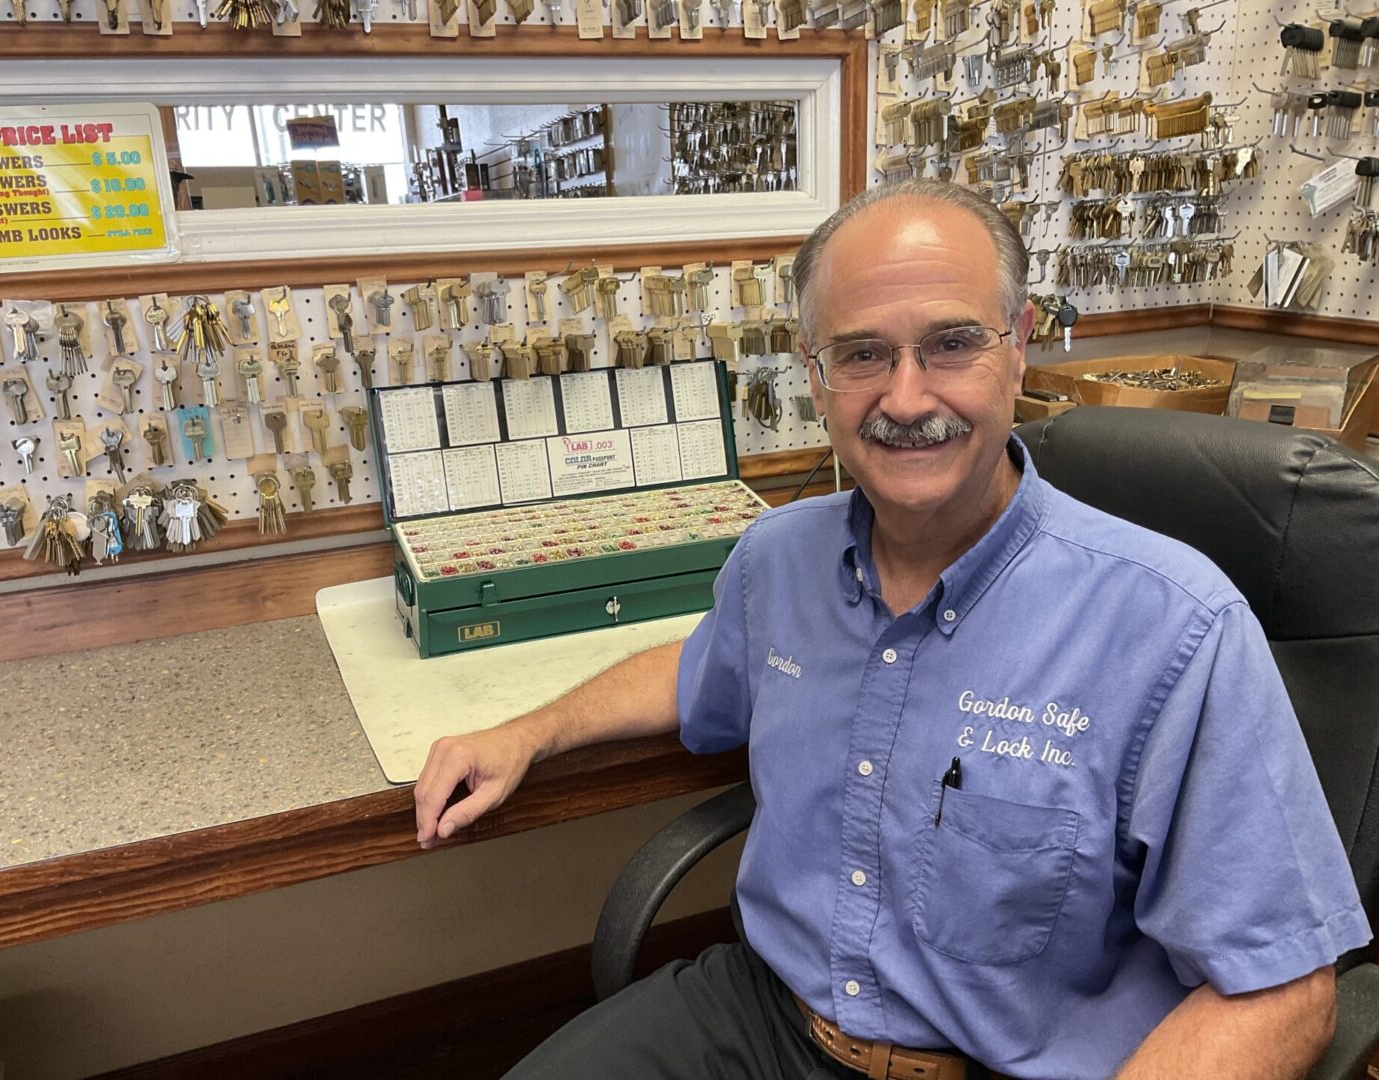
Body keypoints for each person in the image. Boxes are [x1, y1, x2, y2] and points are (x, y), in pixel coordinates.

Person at [412, 180, 1372, 1080]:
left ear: (1021, 343)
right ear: (815, 374)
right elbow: (701, 670)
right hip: (768, 1018)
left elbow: (1284, 992)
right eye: (863, 354)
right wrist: (528, 731)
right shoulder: (778, 558)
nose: (907, 399)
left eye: (952, 343)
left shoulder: (1174, 628)